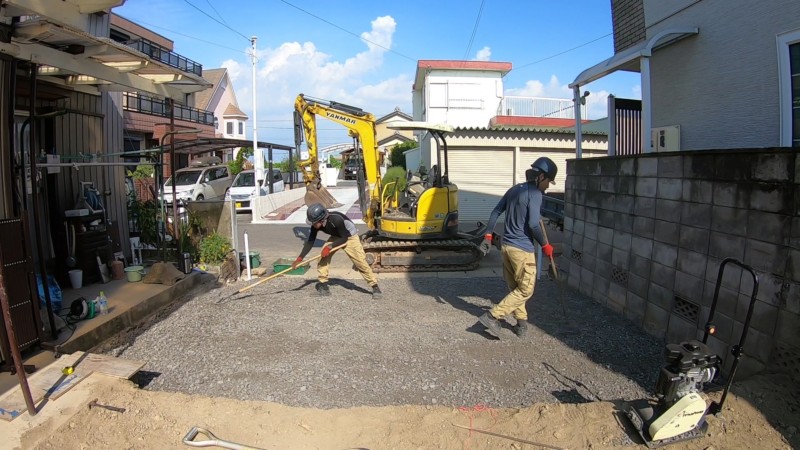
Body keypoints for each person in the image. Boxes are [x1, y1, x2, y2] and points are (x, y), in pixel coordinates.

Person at [477, 157, 557, 338]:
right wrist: (545, 245)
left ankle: (521, 323)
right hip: (522, 250)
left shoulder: (514, 189)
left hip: (506, 248)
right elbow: (533, 224)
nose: (548, 186)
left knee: (516, 288)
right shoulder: (535, 194)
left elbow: (496, 211)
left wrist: (488, 235)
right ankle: (492, 316)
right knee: (526, 290)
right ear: (541, 177)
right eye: (548, 181)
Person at [292, 203, 383, 299]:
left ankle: (375, 286)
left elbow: (344, 238)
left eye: (314, 223)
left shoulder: (336, 220)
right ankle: (323, 286)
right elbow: (310, 241)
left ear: (322, 220)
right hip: (337, 236)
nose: (313, 225)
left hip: (349, 236)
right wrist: (299, 258)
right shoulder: (315, 224)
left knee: (360, 262)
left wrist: (330, 247)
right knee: (323, 258)